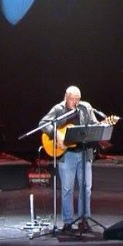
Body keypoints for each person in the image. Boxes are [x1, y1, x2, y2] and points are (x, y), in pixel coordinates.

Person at [39, 86, 102, 233]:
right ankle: (67, 222)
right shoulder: (59, 109)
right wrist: (56, 134)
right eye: (71, 99)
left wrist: (102, 125)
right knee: (67, 189)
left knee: (86, 188)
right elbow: (43, 123)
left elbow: (94, 124)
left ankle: (84, 219)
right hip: (67, 154)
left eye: (77, 99)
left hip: (84, 153)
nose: (74, 102)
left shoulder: (86, 108)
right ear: (65, 97)